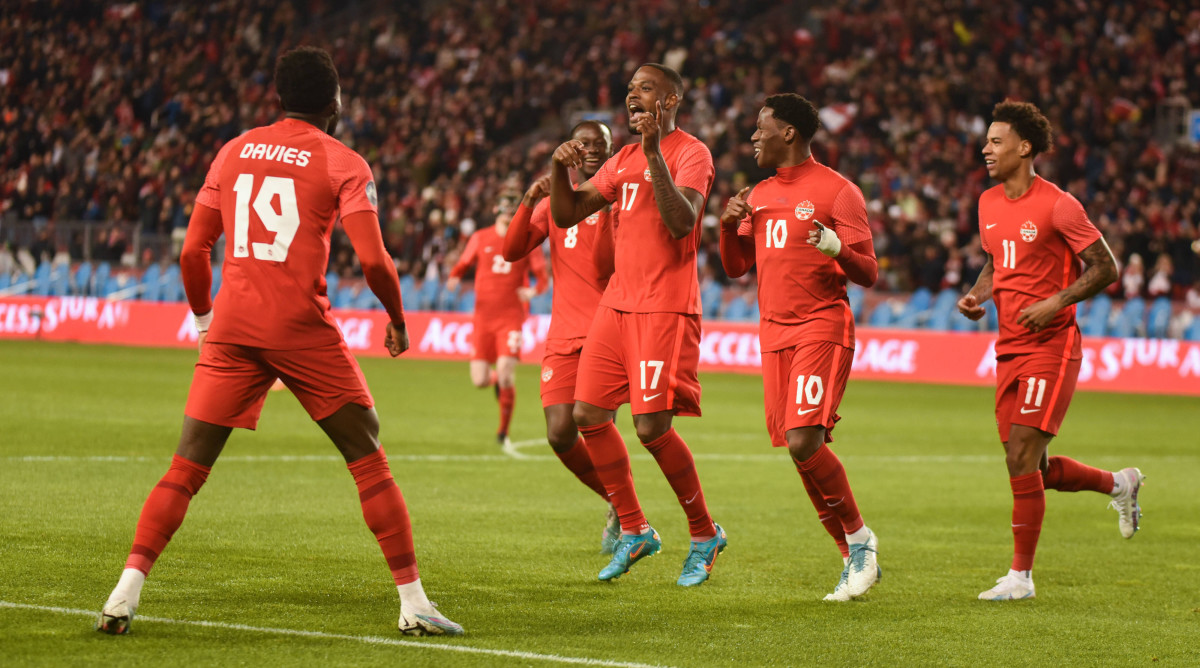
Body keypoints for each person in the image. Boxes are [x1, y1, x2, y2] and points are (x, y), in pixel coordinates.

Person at [96, 47, 462, 637]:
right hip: (299, 328)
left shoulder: (233, 150)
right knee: (367, 457)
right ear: (336, 101)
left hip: (234, 328)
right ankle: (413, 602)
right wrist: (396, 315)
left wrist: (203, 321)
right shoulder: (343, 161)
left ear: (277, 98)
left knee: (185, 469)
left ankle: (123, 593)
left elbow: (192, 251)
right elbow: (373, 258)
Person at [549, 63, 725, 587]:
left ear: (670, 101)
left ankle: (703, 532)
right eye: (629, 90)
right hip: (617, 303)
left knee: (651, 428)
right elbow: (567, 214)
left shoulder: (692, 153)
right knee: (588, 413)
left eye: (644, 89)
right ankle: (635, 528)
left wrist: (653, 154)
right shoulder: (621, 159)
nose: (633, 97)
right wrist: (560, 171)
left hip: (664, 306)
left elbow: (680, 222)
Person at [958, 100, 1141, 601]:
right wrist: (979, 294)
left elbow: (1105, 267)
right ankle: (1119, 484)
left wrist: (1056, 301)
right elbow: (998, 264)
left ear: (1025, 147)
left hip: (1052, 346)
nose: (986, 149)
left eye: (996, 142)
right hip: (1008, 348)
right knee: (1031, 468)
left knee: (1020, 456)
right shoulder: (987, 202)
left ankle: (1021, 577)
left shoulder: (1060, 204)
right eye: (987, 140)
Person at [719, 94, 881, 601]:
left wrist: (839, 249)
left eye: (760, 127)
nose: (752, 137)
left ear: (787, 133)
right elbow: (735, 266)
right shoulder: (760, 194)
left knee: (803, 440)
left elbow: (870, 272)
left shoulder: (839, 192)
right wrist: (728, 226)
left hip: (821, 325)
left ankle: (861, 542)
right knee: (802, 450)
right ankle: (850, 555)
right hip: (774, 335)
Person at [501, 121, 621, 553]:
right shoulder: (556, 203)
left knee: (597, 425)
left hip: (608, 330)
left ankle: (629, 518)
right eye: (584, 142)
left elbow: (606, 268)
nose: (591, 149)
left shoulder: (620, 200)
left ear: (611, 152)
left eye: (600, 145)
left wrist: (606, 211)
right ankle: (619, 503)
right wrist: (532, 197)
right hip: (562, 334)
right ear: (569, 148)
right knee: (558, 434)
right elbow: (512, 250)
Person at [445, 191, 548, 446]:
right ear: (495, 212)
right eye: (504, 210)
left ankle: (503, 431)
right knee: (480, 379)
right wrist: (456, 275)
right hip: (483, 317)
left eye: (512, 210)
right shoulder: (481, 238)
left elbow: (543, 277)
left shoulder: (526, 240)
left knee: (505, 373)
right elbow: (464, 261)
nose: (507, 214)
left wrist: (533, 290)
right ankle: (497, 384)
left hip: (511, 317)